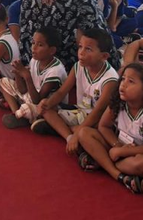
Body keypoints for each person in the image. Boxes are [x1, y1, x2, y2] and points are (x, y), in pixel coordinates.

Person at [76, 62, 143, 193]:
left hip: (142, 154)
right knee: (84, 133)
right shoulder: (119, 101)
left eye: (131, 81)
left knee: (142, 165)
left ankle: (102, 161)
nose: (123, 84)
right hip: (120, 146)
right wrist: (117, 146)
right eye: (123, 79)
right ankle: (118, 174)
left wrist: (121, 152)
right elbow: (104, 126)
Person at [33, 28, 118, 156]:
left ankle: (67, 131)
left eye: (88, 49)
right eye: (80, 47)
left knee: (91, 130)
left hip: (96, 121)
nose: (81, 53)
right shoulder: (78, 66)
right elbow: (61, 92)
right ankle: (69, 137)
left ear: (104, 56)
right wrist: (47, 103)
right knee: (47, 108)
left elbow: (98, 112)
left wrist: (78, 133)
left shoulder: (110, 80)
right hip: (80, 111)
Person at [0, 27, 66, 128]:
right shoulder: (35, 60)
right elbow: (23, 90)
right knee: (3, 82)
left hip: (47, 105)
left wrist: (27, 76)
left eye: (40, 45)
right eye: (33, 43)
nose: (34, 48)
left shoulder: (55, 71)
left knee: (31, 108)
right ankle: (16, 112)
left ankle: (25, 115)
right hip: (31, 95)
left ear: (52, 50)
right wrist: (17, 73)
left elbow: (37, 100)